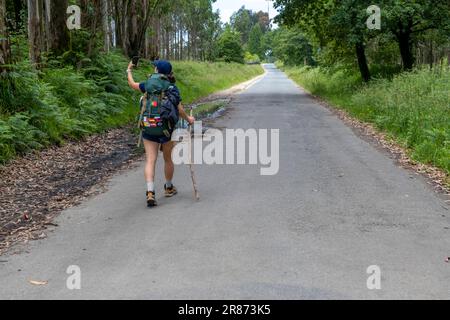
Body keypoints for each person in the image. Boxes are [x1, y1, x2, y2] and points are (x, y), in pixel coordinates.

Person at [127, 60, 195, 207]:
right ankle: (169, 187)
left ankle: (150, 192)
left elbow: (132, 84)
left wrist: (129, 71)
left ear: (157, 69)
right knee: (168, 159)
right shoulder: (171, 87)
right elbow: (179, 109)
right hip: (166, 129)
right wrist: (189, 119)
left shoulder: (148, 84)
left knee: (150, 160)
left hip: (148, 127)